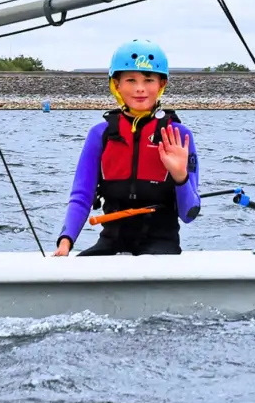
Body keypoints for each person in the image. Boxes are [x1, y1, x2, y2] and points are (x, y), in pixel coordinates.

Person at [53, 39, 201, 257]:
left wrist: (180, 177)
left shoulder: (179, 135)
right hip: (111, 241)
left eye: (148, 80)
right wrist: (65, 242)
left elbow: (189, 214)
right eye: (131, 80)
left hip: (161, 245)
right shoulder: (100, 135)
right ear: (117, 84)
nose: (140, 88)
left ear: (161, 84)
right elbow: (81, 196)